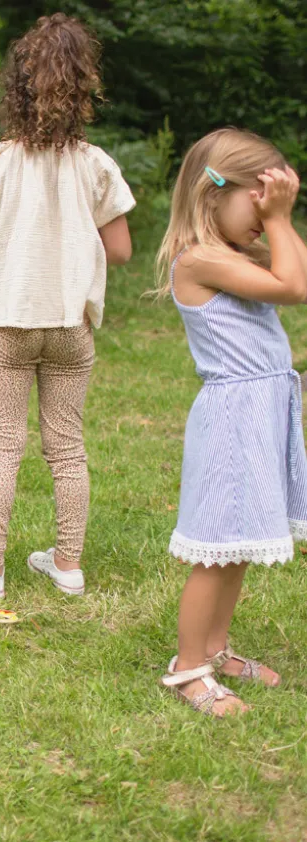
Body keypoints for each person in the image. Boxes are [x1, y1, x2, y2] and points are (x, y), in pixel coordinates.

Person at [0, 13, 135, 600]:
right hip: (70, 325)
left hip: (8, 321)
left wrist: (11, 245)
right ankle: (68, 565)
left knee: (3, 446)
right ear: (84, 88)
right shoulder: (96, 164)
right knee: (67, 447)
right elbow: (121, 250)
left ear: (18, 87)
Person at [155, 128, 307, 717]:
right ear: (213, 192)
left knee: (237, 545)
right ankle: (188, 668)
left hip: (259, 415)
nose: (266, 218)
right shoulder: (201, 260)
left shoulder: (235, 255)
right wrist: (282, 219)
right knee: (215, 550)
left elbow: (298, 272)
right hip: (231, 420)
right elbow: (293, 287)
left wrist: (275, 219)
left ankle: (216, 648)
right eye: (258, 203)